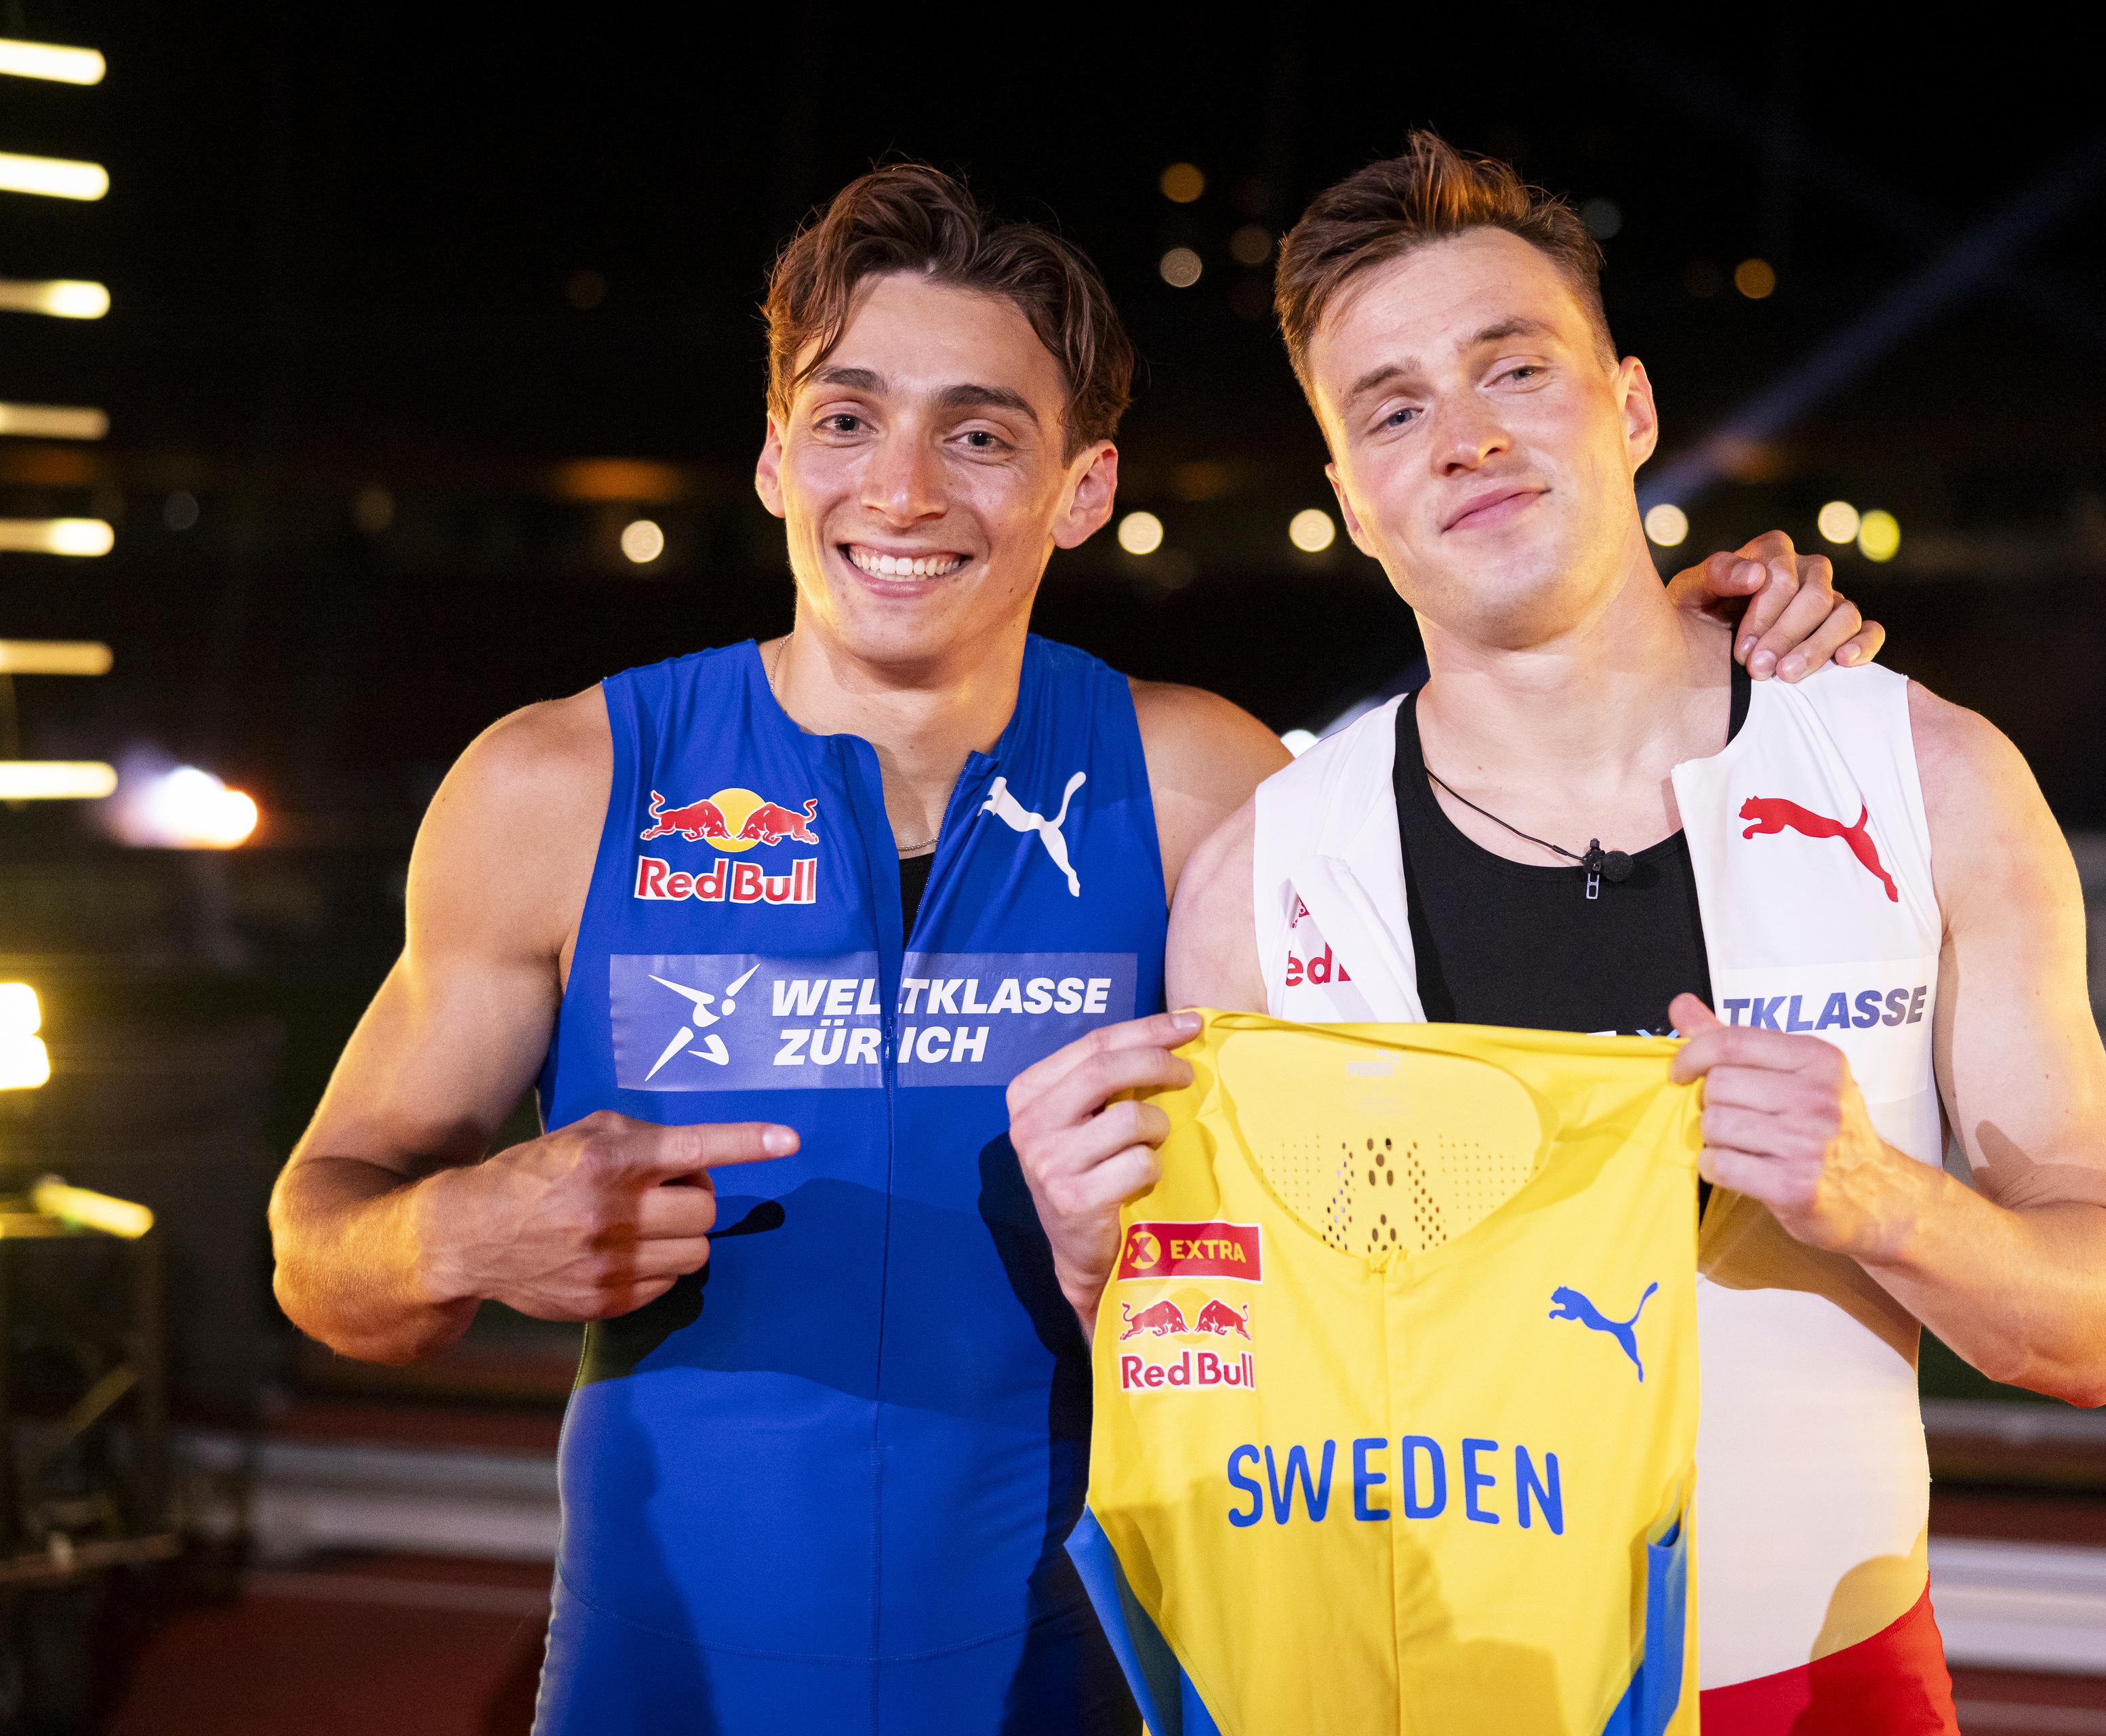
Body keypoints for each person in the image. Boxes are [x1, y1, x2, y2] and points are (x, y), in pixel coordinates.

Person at [266, 159, 1879, 1733]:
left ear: (1084, 487)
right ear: (774, 458)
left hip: (1092, 1680)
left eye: (981, 435)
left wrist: (1717, 628)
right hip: (662, 1688)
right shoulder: (559, 789)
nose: (901, 491)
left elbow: (1504, 757)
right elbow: (319, 1248)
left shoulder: (1199, 785)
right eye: (848, 419)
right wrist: (459, 1240)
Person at [1011, 134, 2106, 1733]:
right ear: (1351, 497)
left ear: (1627, 406)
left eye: (1513, 370)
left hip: (1822, 1683)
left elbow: (2104, 1325)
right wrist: (1101, 1275)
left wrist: (1880, 1197)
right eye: (1396, 408)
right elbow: (1230, 1392)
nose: (1466, 440)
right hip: (1426, 1695)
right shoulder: (1272, 877)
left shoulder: (1927, 778)